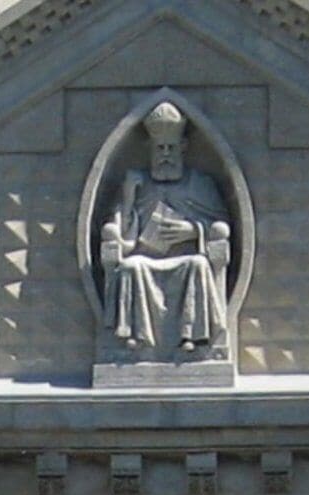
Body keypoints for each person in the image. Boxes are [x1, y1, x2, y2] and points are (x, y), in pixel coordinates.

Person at [100, 102, 234, 357]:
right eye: (159, 148)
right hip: (145, 259)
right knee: (131, 267)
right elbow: (119, 233)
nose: (165, 155)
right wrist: (129, 197)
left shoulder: (201, 184)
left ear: (182, 149)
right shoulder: (136, 184)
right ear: (150, 150)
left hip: (185, 260)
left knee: (198, 265)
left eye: (171, 148)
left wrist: (193, 230)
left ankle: (191, 337)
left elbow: (220, 226)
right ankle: (136, 337)